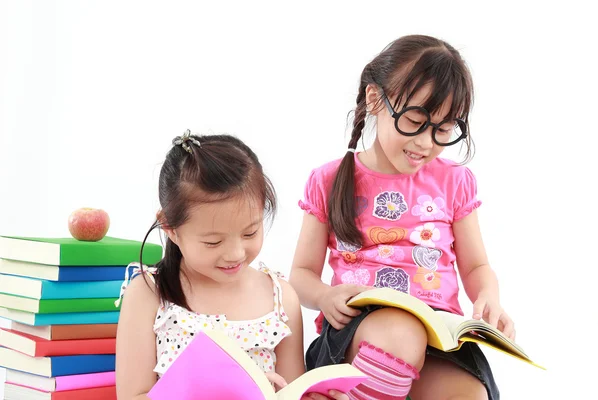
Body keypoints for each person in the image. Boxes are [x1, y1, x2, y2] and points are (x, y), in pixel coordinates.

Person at [290, 35, 513, 400]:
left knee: (468, 393)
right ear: (375, 100)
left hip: (438, 333)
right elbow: (300, 274)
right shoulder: (328, 180)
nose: (426, 143)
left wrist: (489, 296)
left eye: (442, 129)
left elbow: (476, 267)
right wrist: (325, 296)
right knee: (401, 335)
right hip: (361, 329)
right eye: (415, 121)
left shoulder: (454, 182)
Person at [116, 130, 348, 400]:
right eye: (213, 242)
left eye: (250, 233)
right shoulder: (148, 294)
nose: (235, 253)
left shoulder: (280, 298)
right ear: (170, 227)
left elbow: (290, 391)